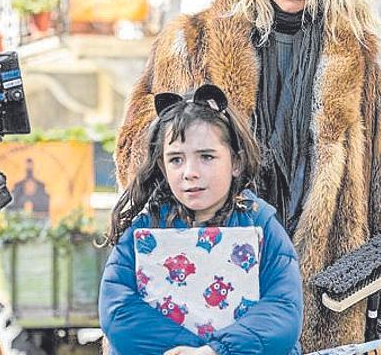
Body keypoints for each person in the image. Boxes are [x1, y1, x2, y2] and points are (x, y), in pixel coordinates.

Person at [114, 0, 381, 351]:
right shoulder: (192, 41)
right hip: (206, 280)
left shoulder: (362, 58)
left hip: (327, 294)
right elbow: (135, 160)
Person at [100, 85, 302, 355]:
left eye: (206, 156)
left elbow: (282, 311)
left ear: (236, 163)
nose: (190, 172)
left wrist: (216, 351)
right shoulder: (145, 229)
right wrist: (196, 351)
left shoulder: (260, 225)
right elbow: (118, 311)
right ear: (161, 166)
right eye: (175, 160)